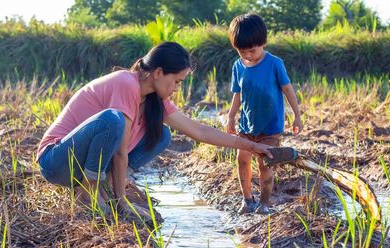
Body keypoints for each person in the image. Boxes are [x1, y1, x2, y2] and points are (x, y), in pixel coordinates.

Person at [36, 41, 273, 217]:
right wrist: (123, 202)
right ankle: (91, 191)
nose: (177, 89)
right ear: (158, 73)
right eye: (177, 81)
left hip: (80, 162)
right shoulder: (125, 83)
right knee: (113, 120)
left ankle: (102, 188)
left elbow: (198, 131)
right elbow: (119, 152)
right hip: (57, 161)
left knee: (161, 135)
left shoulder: (154, 100)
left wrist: (252, 146)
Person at [226, 14, 303, 215]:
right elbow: (238, 94)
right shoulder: (238, 66)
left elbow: (288, 90)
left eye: (252, 50)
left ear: (263, 43)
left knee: (265, 163)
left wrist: (297, 115)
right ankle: (247, 200)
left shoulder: (274, 63)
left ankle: (264, 203)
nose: (248, 55)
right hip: (246, 125)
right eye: (242, 51)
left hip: (270, 126)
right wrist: (231, 116)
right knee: (242, 158)